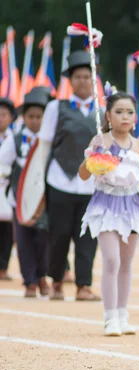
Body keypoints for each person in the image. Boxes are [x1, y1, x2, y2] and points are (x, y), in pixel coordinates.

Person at [79, 87, 139, 336]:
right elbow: (83, 175)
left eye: (130, 112)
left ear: (136, 117)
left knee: (126, 262)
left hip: (132, 206)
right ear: (108, 116)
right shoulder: (100, 141)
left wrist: (130, 183)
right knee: (111, 260)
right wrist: (93, 157)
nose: (125, 116)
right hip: (105, 205)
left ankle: (123, 315)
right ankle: (109, 317)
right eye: (119, 111)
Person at [38, 50, 103, 301]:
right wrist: (39, 183)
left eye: (87, 76)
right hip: (60, 180)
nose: (83, 81)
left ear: (93, 79)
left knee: (87, 237)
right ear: (70, 80)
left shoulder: (103, 110)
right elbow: (44, 147)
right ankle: (56, 281)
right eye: (78, 76)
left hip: (91, 185)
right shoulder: (56, 107)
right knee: (59, 234)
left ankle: (83, 285)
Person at [0, 88, 51, 296]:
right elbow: (3, 162)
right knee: (24, 242)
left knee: (44, 240)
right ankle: (29, 280)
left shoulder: (50, 140)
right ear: (23, 117)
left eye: (39, 117)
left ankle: (42, 276)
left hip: (44, 201)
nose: (35, 121)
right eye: (31, 117)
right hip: (19, 200)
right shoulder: (16, 139)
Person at [0, 97, 17, 281]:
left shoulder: (16, 139)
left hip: (7, 190)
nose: (0, 118)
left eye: (4, 114)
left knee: (6, 231)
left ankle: (2, 268)